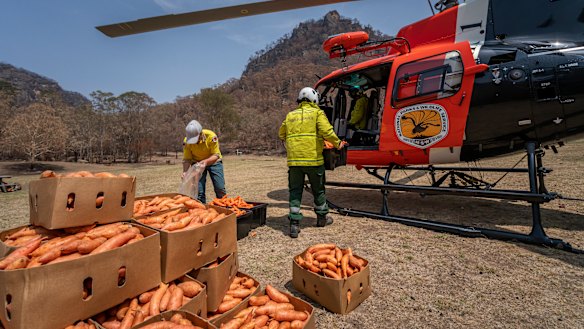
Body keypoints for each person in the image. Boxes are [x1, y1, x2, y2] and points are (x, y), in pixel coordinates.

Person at [278, 87, 345, 238]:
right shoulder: (317, 113)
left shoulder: (290, 115)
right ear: (314, 99)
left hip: (295, 163)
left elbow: (281, 133)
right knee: (318, 190)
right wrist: (338, 143)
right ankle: (322, 218)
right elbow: (327, 132)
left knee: (295, 191)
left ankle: (294, 224)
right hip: (314, 161)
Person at [182, 120, 226, 203]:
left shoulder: (211, 136)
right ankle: (201, 209)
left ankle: (224, 206)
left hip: (214, 162)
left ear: (200, 133)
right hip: (197, 164)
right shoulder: (186, 142)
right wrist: (185, 172)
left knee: (220, 188)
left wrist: (205, 162)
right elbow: (187, 159)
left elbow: (216, 155)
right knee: (199, 191)